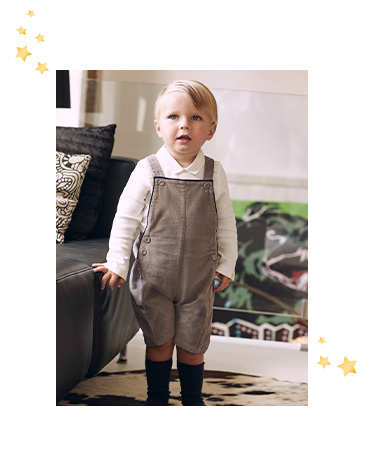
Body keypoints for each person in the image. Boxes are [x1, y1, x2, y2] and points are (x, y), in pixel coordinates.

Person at [92, 79, 238, 406]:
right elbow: (125, 218)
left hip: (198, 280)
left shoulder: (214, 172)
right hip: (153, 277)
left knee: (192, 346)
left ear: (211, 129)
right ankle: (157, 399)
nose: (184, 124)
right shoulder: (148, 169)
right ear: (159, 127)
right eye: (174, 117)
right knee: (159, 342)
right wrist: (117, 262)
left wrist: (227, 263)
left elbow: (226, 222)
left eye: (195, 118)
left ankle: (191, 400)